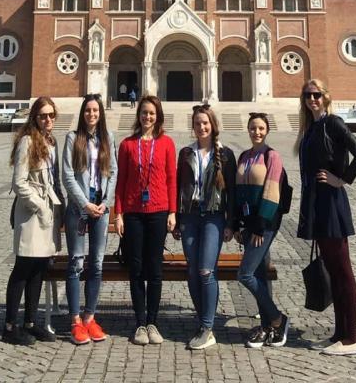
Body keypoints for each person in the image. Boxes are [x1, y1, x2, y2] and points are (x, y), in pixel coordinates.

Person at [296, 78, 356, 356]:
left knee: (342, 271)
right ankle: (339, 333)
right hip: (318, 204)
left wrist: (342, 180)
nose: (312, 99)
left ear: (325, 97)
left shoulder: (333, 123)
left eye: (316, 95)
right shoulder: (313, 127)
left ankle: (352, 338)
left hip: (332, 203)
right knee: (334, 271)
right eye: (307, 95)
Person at [173, 104, 237, 350]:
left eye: (205, 123)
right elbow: (179, 187)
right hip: (189, 217)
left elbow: (231, 191)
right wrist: (177, 220)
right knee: (192, 270)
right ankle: (203, 322)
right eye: (198, 123)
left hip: (213, 217)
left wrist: (230, 223)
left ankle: (208, 328)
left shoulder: (226, 154)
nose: (201, 127)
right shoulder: (186, 153)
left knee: (205, 271)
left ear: (213, 125)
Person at [115, 94, 177, 345]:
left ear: (158, 116)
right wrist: (118, 212)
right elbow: (121, 182)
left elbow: (172, 179)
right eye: (144, 113)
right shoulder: (127, 144)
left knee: (155, 269)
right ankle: (140, 323)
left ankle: (153, 322)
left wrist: (173, 211)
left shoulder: (167, 143)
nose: (147, 117)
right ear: (138, 115)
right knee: (137, 268)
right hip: (133, 213)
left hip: (159, 211)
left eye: (151, 113)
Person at [3, 96, 62, 346]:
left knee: (39, 269)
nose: (47, 120)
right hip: (31, 214)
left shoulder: (51, 141)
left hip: (48, 213)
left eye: (51, 115)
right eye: (42, 116)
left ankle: (29, 322)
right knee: (23, 268)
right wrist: (39, 206)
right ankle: (9, 326)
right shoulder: (27, 141)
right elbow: (19, 182)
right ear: (34, 118)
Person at [62, 94, 117, 345]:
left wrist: (106, 202)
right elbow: (67, 176)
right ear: (83, 113)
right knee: (75, 262)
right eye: (88, 110)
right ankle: (75, 321)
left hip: (101, 209)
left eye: (95, 110)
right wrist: (85, 203)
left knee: (96, 264)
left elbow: (113, 172)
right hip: (79, 209)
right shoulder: (73, 138)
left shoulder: (108, 138)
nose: (91, 114)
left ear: (101, 113)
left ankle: (89, 318)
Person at [235, 112, 290, 349]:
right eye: (252, 128)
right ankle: (269, 327)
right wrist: (238, 223)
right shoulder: (245, 156)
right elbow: (238, 193)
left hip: (264, 225)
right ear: (247, 130)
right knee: (258, 275)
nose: (256, 132)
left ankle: (278, 318)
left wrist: (259, 225)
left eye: (260, 128)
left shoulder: (272, 156)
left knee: (245, 274)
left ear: (267, 130)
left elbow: (272, 191)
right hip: (248, 224)